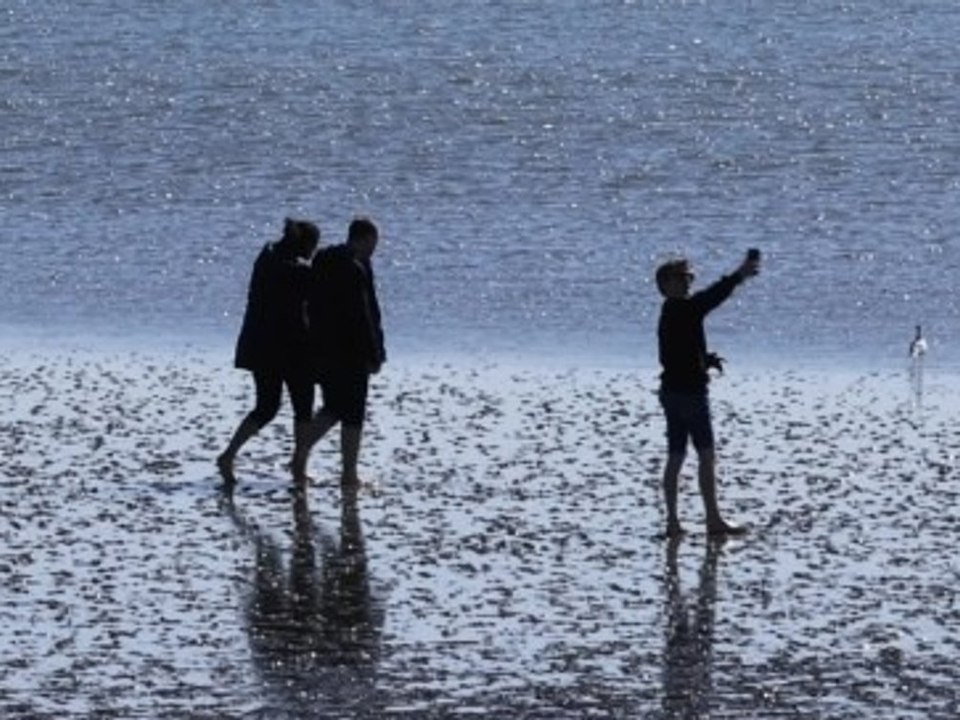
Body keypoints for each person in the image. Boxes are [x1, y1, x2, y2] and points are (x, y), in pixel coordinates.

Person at [654, 250, 759, 537]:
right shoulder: (685, 309)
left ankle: (673, 523)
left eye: (688, 278)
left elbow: (675, 353)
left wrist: (705, 360)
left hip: (670, 391)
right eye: (680, 279)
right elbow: (714, 295)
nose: (686, 283)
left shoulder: (669, 313)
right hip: (689, 394)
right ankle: (713, 519)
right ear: (665, 285)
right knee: (705, 454)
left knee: (676, 455)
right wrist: (740, 274)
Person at [217, 218, 320, 484]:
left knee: (266, 407)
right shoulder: (291, 269)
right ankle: (299, 465)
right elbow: (305, 292)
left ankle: (229, 455)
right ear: (304, 245)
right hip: (288, 348)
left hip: (260, 347)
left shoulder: (268, 257)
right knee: (303, 406)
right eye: (313, 248)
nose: (313, 254)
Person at [292, 217, 386, 486]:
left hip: (322, 348)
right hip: (352, 352)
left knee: (333, 407)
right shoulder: (355, 268)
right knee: (353, 413)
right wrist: (376, 353)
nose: (373, 249)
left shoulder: (323, 261)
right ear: (364, 239)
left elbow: (308, 304)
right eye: (373, 243)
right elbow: (364, 316)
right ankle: (349, 473)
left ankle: (300, 453)